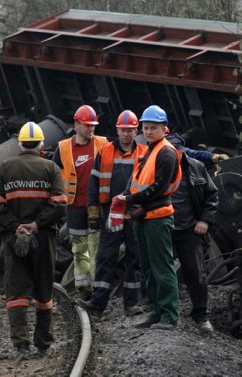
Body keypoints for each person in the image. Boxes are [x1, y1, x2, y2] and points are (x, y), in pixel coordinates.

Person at [0, 122, 67, 358]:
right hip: (43, 238)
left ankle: (21, 344)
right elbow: (60, 203)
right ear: (42, 144)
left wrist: (16, 228)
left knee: (16, 292)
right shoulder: (50, 168)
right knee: (44, 291)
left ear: (19, 145)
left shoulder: (5, 167)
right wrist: (35, 225)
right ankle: (43, 343)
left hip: (13, 239)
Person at [115, 105, 182, 330]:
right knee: (149, 268)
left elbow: (158, 187)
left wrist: (129, 201)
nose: (149, 131)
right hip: (144, 217)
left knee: (162, 266)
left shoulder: (166, 152)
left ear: (164, 128)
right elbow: (136, 183)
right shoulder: (149, 151)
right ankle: (156, 311)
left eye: (153, 127)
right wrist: (125, 196)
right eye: (146, 128)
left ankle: (169, 316)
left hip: (157, 217)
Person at [76, 110, 146, 317]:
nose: (126, 134)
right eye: (123, 130)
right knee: (106, 257)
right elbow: (93, 184)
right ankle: (98, 304)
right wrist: (93, 211)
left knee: (135, 258)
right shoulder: (105, 151)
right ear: (117, 130)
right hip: (109, 214)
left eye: (130, 131)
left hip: (133, 214)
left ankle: (131, 304)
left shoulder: (143, 153)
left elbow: (148, 185)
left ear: (136, 131)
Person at [53, 105, 107, 301]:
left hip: (96, 206)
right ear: (76, 125)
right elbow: (54, 174)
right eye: (87, 125)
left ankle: (95, 288)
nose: (91, 129)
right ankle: (83, 286)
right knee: (79, 247)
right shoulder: (63, 148)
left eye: (93, 126)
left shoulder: (103, 144)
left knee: (95, 247)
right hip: (74, 206)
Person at [170, 152, 219, 333]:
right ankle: (165, 314)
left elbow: (211, 195)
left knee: (196, 272)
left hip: (188, 229)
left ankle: (201, 316)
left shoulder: (195, 166)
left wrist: (205, 220)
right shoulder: (150, 165)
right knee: (158, 271)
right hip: (161, 228)